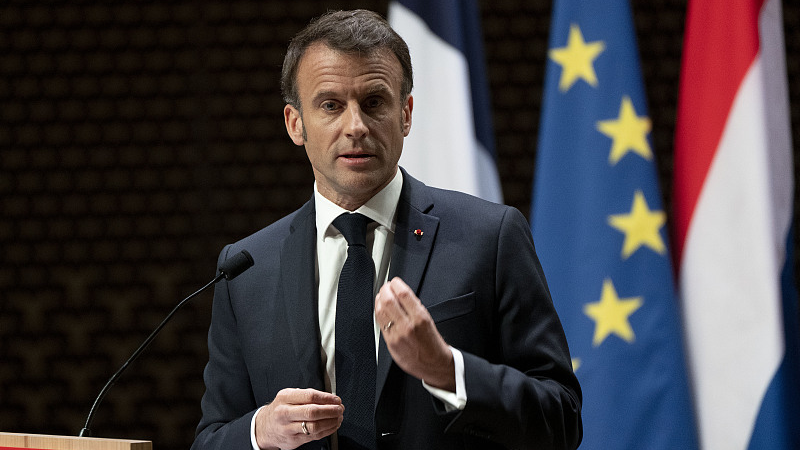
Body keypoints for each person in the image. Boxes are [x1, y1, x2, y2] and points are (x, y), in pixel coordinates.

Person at [191, 9, 581, 450]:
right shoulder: (246, 270)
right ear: (295, 124)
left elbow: (561, 419)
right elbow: (211, 439)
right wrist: (261, 431)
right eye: (331, 105)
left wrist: (447, 370)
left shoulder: (489, 238)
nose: (355, 126)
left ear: (407, 114)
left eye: (374, 102)